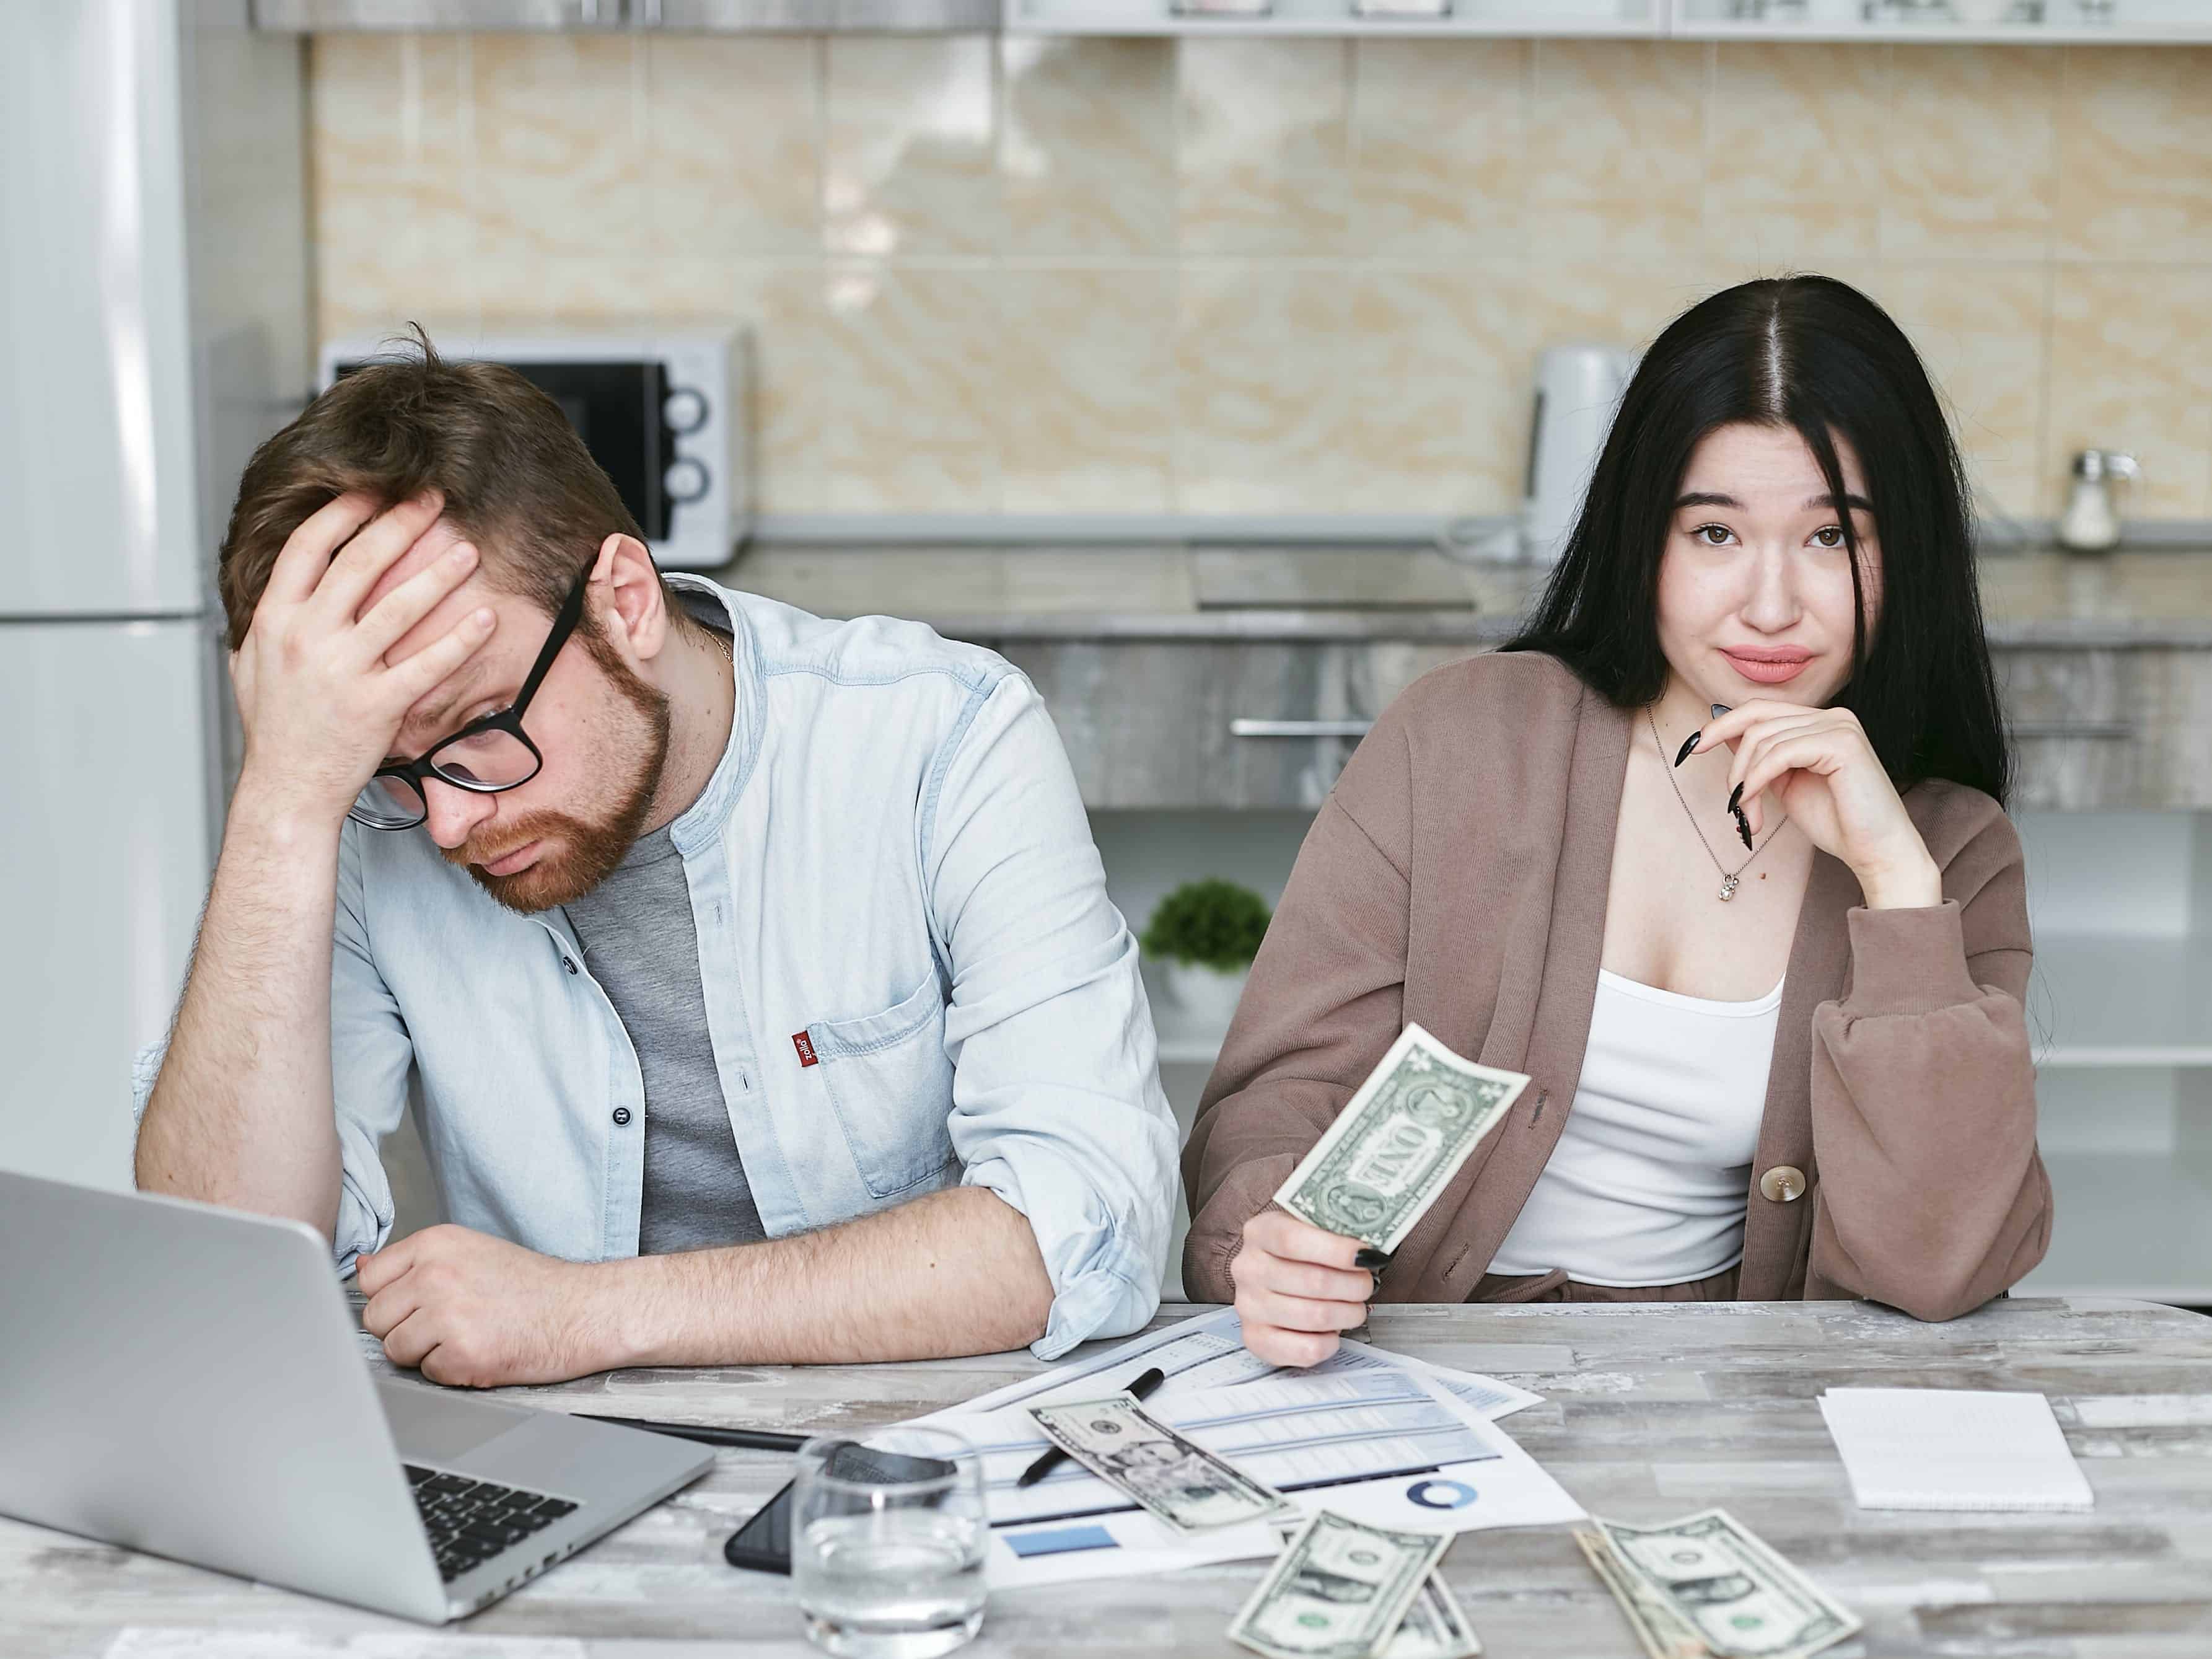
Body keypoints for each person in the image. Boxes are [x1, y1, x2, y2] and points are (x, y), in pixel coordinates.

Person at [134, 338, 1177, 1384]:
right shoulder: (366, 817)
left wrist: (588, 1314)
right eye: (393, 767)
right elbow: (221, 1275)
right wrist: (284, 793)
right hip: (559, 1470)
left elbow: (1081, 1223)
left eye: (478, 729)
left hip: (915, 1466)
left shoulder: (939, 737)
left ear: (623, 603)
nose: (445, 823)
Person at [1183, 275, 2051, 1366]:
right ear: (1643, 537)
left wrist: (1896, 885)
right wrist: (1273, 1236)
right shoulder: (1461, 738)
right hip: (1407, 1357)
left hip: (1731, 1391)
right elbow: (1280, 1093)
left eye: (1830, 539)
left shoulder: (1948, 848)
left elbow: (1943, 1270)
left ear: (1905, 555)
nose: (1772, 605)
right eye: (1714, 533)